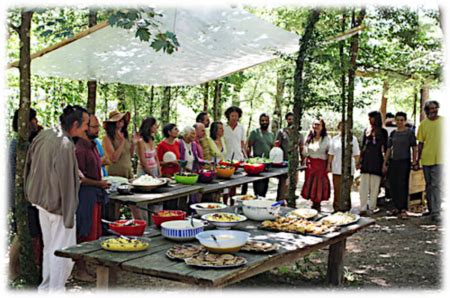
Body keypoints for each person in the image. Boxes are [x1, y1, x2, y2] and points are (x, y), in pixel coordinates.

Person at [24, 105, 89, 292]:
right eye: (85, 124)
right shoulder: (65, 144)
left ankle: (45, 289)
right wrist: (69, 215)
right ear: (75, 124)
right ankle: (55, 291)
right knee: (63, 252)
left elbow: (31, 164)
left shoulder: (46, 135)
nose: (86, 128)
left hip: (40, 201)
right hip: (58, 206)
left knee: (50, 248)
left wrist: (30, 193)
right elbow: (67, 183)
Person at [8, 108, 43, 280]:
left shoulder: (25, 142)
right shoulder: (20, 144)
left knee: (30, 234)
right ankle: (12, 271)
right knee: (22, 234)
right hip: (21, 198)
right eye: (33, 119)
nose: (36, 122)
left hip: (28, 197)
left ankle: (25, 269)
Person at [74, 114, 109, 281]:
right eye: (94, 127)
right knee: (84, 232)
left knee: (95, 233)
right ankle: (79, 269)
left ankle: (88, 266)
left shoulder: (93, 145)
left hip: (95, 194)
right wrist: (98, 184)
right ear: (85, 128)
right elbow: (79, 178)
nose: (98, 130)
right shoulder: (79, 149)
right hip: (85, 196)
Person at [382, 112, 418, 219]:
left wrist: (415, 161)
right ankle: (396, 207)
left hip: (404, 161)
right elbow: (388, 149)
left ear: (405, 121)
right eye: (397, 120)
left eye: (402, 120)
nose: (399, 122)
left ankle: (403, 209)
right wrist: (385, 162)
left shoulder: (409, 133)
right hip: (394, 161)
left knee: (403, 185)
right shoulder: (393, 133)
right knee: (393, 185)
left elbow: (414, 147)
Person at [415, 100, 443, 222]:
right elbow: (420, 143)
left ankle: (436, 212)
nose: (433, 110)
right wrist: (417, 160)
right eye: (431, 108)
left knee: (436, 185)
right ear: (426, 111)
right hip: (426, 159)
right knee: (429, 186)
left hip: (441, 159)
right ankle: (431, 209)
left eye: (435, 108)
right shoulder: (423, 125)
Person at [359, 111, 388, 215]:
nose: (370, 120)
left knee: (375, 186)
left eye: (371, 118)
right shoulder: (366, 131)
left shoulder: (383, 132)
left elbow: (386, 149)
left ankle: (372, 207)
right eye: (369, 118)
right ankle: (362, 207)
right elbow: (363, 147)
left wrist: (385, 163)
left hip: (377, 160)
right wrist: (359, 161)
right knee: (363, 186)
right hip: (366, 161)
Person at [327, 121, 360, 212]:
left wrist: (357, 165)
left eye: (346, 126)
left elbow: (356, 154)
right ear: (339, 127)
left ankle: (346, 208)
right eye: (341, 126)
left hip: (349, 169)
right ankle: (336, 208)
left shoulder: (353, 139)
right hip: (336, 168)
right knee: (337, 190)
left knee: (347, 189)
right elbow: (331, 154)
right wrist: (329, 165)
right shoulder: (334, 139)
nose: (343, 128)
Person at [301, 119, 330, 212]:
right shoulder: (309, 137)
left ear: (322, 126)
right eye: (314, 124)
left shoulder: (326, 138)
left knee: (319, 185)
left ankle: (318, 205)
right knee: (310, 184)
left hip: (321, 164)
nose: (316, 126)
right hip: (310, 165)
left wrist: (329, 165)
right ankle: (313, 205)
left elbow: (329, 153)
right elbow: (304, 152)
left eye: (318, 125)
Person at [275, 112, 305, 200]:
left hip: (295, 163)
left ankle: (290, 202)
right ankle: (280, 202)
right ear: (286, 120)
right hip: (283, 163)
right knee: (283, 184)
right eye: (289, 119)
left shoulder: (299, 134)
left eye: (293, 119)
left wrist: (303, 162)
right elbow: (276, 146)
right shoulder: (281, 132)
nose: (291, 121)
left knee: (293, 183)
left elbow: (302, 148)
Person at [247, 113, 275, 197]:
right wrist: (248, 159)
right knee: (258, 187)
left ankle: (262, 201)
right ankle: (257, 200)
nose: (264, 122)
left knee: (265, 186)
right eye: (262, 120)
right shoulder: (255, 133)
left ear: (269, 121)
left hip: (267, 165)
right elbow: (248, 146)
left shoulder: (271, 135)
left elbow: (273, 149)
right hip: (257, 165)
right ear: (259, 122)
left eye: (266, 120)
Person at [102, 111, 134, 179]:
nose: (121, 121)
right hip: (116, 174)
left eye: (122, 119)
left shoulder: (126, 136)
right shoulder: (107, 138)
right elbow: (113, 159)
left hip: (128, 172)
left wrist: (133, 143)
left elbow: (129, 155)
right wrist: (122, 142)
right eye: (118, 120)